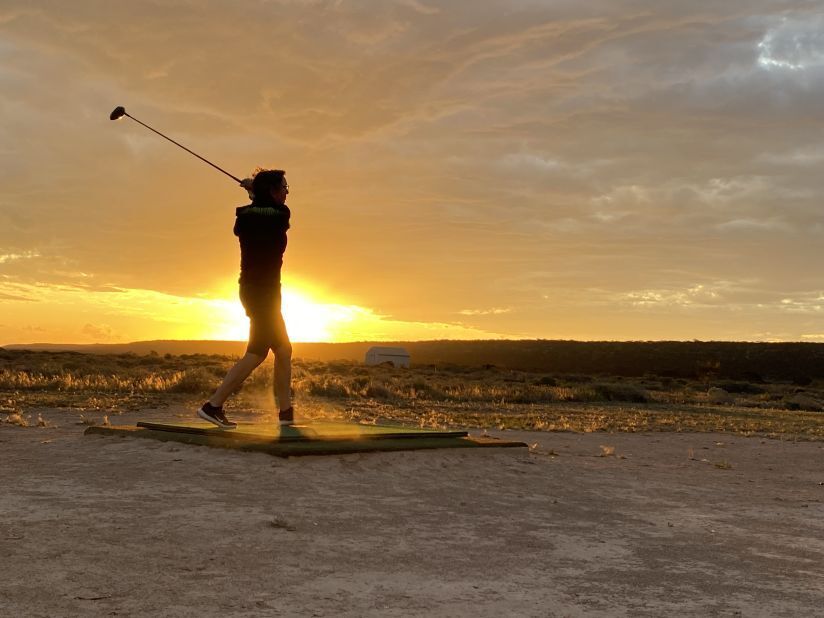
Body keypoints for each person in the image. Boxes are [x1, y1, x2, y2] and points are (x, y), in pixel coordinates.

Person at [198, 169, 294, 429]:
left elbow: (258, 209)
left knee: (284, 350)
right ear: (273, 192)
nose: (287, 191)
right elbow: (273, 212)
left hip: (259, 292)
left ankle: (286, 415)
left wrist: (254, 193)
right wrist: (253, 189)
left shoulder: (245, 217)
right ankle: (213, 405)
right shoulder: (280, 216)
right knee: (257, 352)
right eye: (284, 187)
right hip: (262, 293)